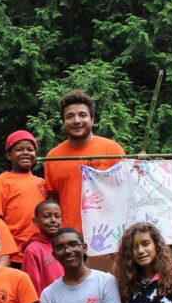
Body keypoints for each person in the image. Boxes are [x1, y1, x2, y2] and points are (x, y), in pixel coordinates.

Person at [44, 90, 125, 270]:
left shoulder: (111, 149)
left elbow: (127, 192)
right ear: (64, 121)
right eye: (70, 116)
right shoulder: (53, 157)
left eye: (82, 115)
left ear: (92, 119)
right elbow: (53, 201)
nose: (77, 120)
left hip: (108, 239)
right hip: (70, 243)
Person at [0, 130, 47, 267]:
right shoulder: (1, 181)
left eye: (30, 149)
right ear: (9, 155)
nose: (26, 153)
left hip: (42, 252)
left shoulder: (42, 183)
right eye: (19, 149)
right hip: (15, 255)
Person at [21, 199, 64, 296]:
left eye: (57, 216)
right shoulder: (32, 250)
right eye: (46, 216)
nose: (53, 220)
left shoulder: (65, 245)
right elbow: (32, 287)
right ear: (35, 221)